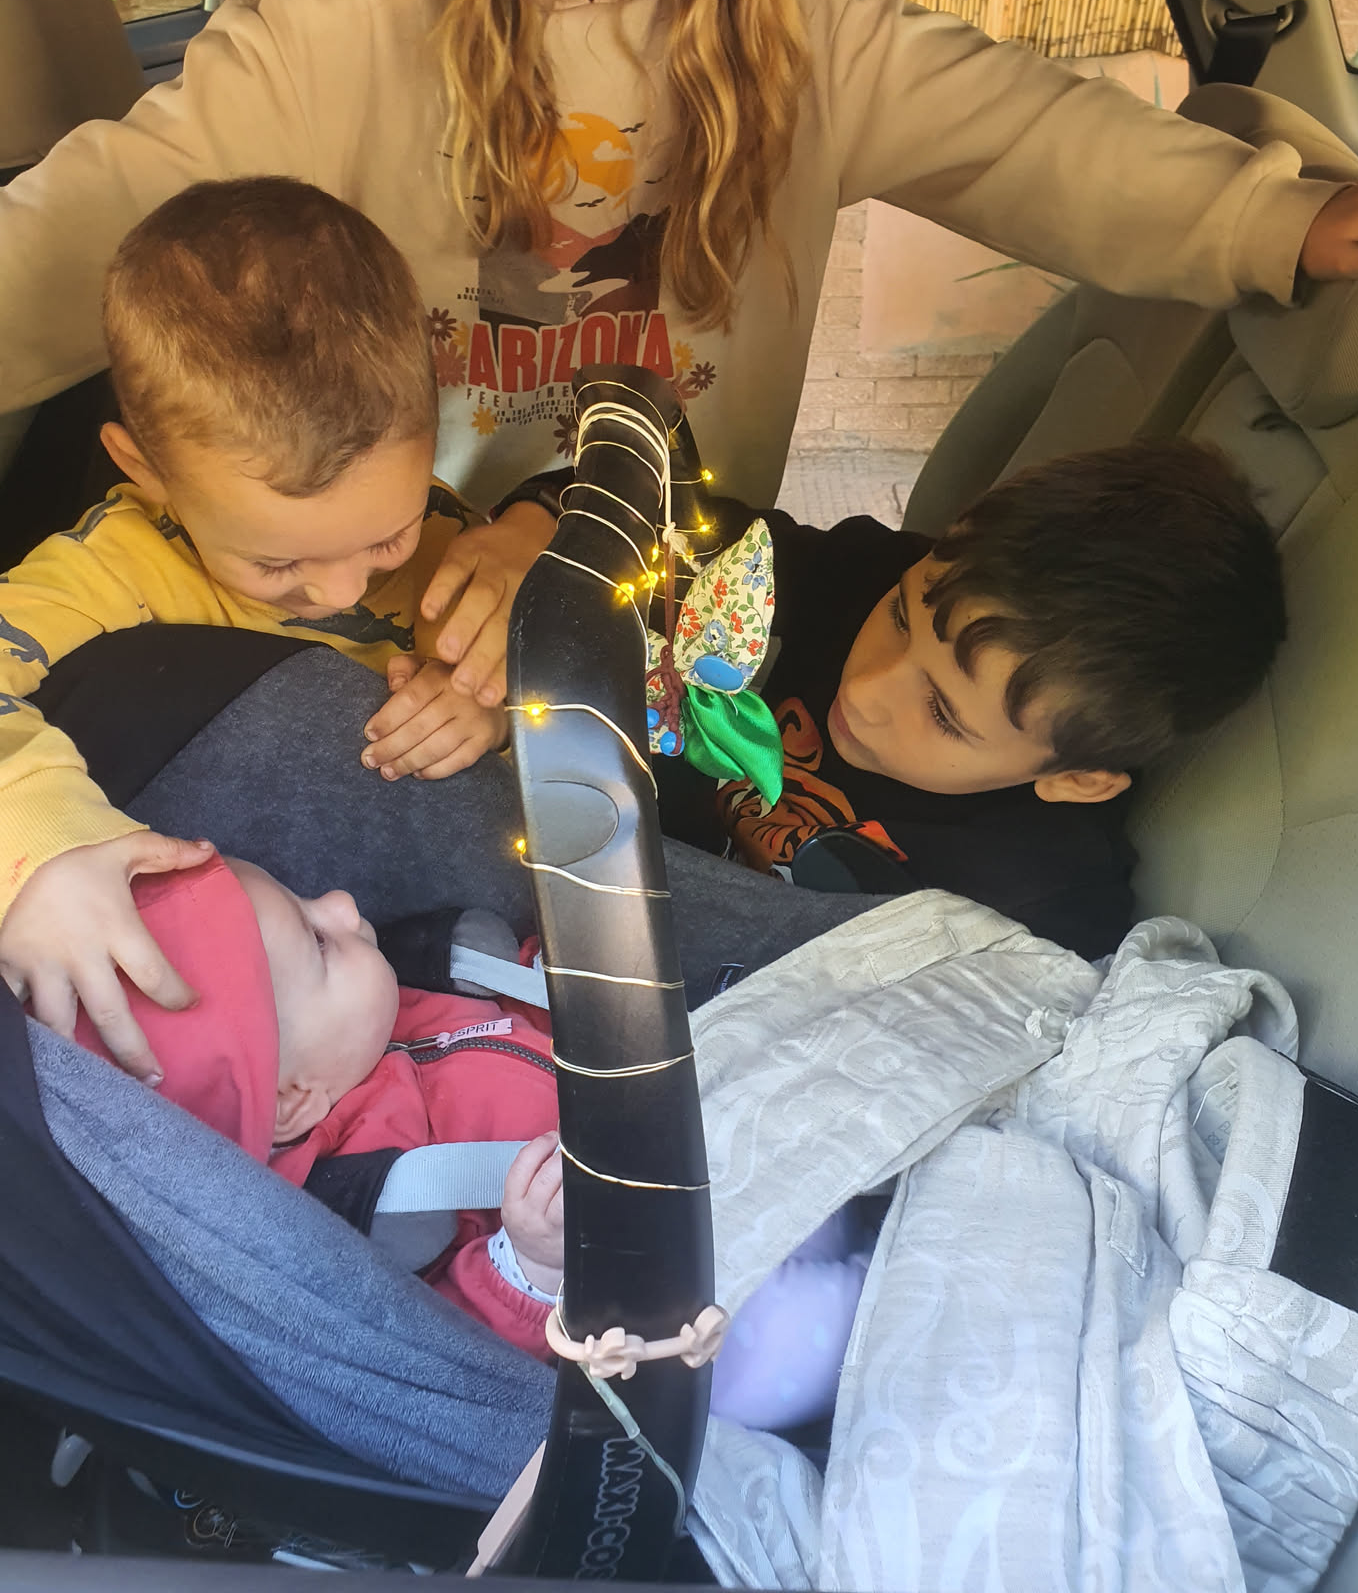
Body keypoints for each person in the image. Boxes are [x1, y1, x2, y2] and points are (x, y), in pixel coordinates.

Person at [3, 0, 1358, 722]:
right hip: (364, 563)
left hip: (656, 562)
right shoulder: (353, 7)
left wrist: (1273, 222)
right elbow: (115, 209)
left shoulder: (804, 26)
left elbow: (1027, 141)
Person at [67, 852, 871, 1427]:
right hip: (661, 1297)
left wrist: (553, 976)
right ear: (293, 1100)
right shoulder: (364, 1197)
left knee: (821, 1165)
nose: (342, 902)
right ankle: (886, 1301)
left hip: (694, 1143)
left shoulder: (395, 1008)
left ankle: (876, 1222)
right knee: (776, 1354)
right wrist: (531, 1265)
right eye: (318, 940)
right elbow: (447, 1340)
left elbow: (521, 1021)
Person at [0, 175, 507, 1065]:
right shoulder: (110, 566)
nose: (342, 591)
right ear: (144, 468)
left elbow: (564, 716)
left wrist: (488, 708)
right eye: (276, 565)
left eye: (386, 538)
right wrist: (42, 851)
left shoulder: (451, 538)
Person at [654, 439, 1285, 960]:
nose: (865, 690)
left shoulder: (1032, 900)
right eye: (899, 616)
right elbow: (714, 549)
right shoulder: (869, 575)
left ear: (1075, 780)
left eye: (942, 713)